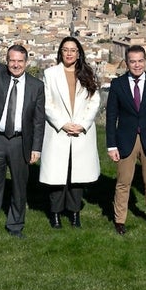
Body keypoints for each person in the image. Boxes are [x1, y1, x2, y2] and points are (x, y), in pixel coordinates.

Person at [0, 24, 46, 242]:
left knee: (20, 188)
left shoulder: (36, 86)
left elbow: (38, 120)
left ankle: (15, 226)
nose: (15, 64)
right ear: (7, 60)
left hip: (21, 142)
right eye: (12, 60)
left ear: (26, 63)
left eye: (19, 61)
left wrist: (36, 148)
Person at [105, 45, 146, 235]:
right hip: (126, 140)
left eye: (140, 61)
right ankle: (119, 220)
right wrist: (111, 145)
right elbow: (111, 117)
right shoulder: (118, 85)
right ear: (126, 63)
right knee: (123, 182)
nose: (137, 65)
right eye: (132, 61)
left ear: (145, 61)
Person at [39, 36, 100, 229]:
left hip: (81, 132)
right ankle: (55, 214)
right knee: (57, 177)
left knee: (77, 177)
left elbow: (95, 101)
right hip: (59, 131)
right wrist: (63, 123)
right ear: (60, 52)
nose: (69, 53)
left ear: (79, 53)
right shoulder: (50, 74)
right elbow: (47, 103)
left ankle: (75, 214)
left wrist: (82, 124)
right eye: (65, 50)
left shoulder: (87, 73)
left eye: (73, 50)